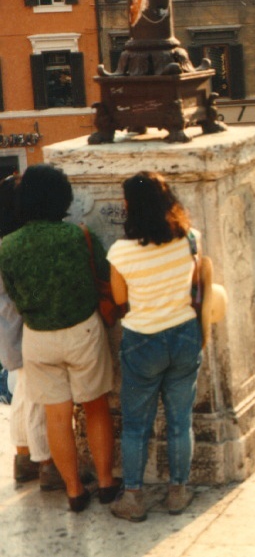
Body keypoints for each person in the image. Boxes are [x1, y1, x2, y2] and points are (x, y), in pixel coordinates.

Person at [0, 165, 116, 513]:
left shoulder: (7, 246)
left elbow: (13, 294)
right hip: (82, 330)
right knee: (96, 408)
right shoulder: (78, 235)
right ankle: (107, 484)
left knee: (56, 415)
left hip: (38, 337)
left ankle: (74, 490)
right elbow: (103, 275)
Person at [106, 172, 211, 520]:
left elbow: (121, 299)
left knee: (136, 425)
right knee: (181, 420)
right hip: (184, 334)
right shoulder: (190, 239)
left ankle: (134, 497)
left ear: (130, 207)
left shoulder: (120, 252)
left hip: (143, 340)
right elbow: (197, 282)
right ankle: (178, 492)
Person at [0, 176, 62, 491]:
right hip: (25, 332)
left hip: (7, 337)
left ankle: (23, 457)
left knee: (23, 395)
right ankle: (46, 463)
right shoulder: (14, 247)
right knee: (36, 398)